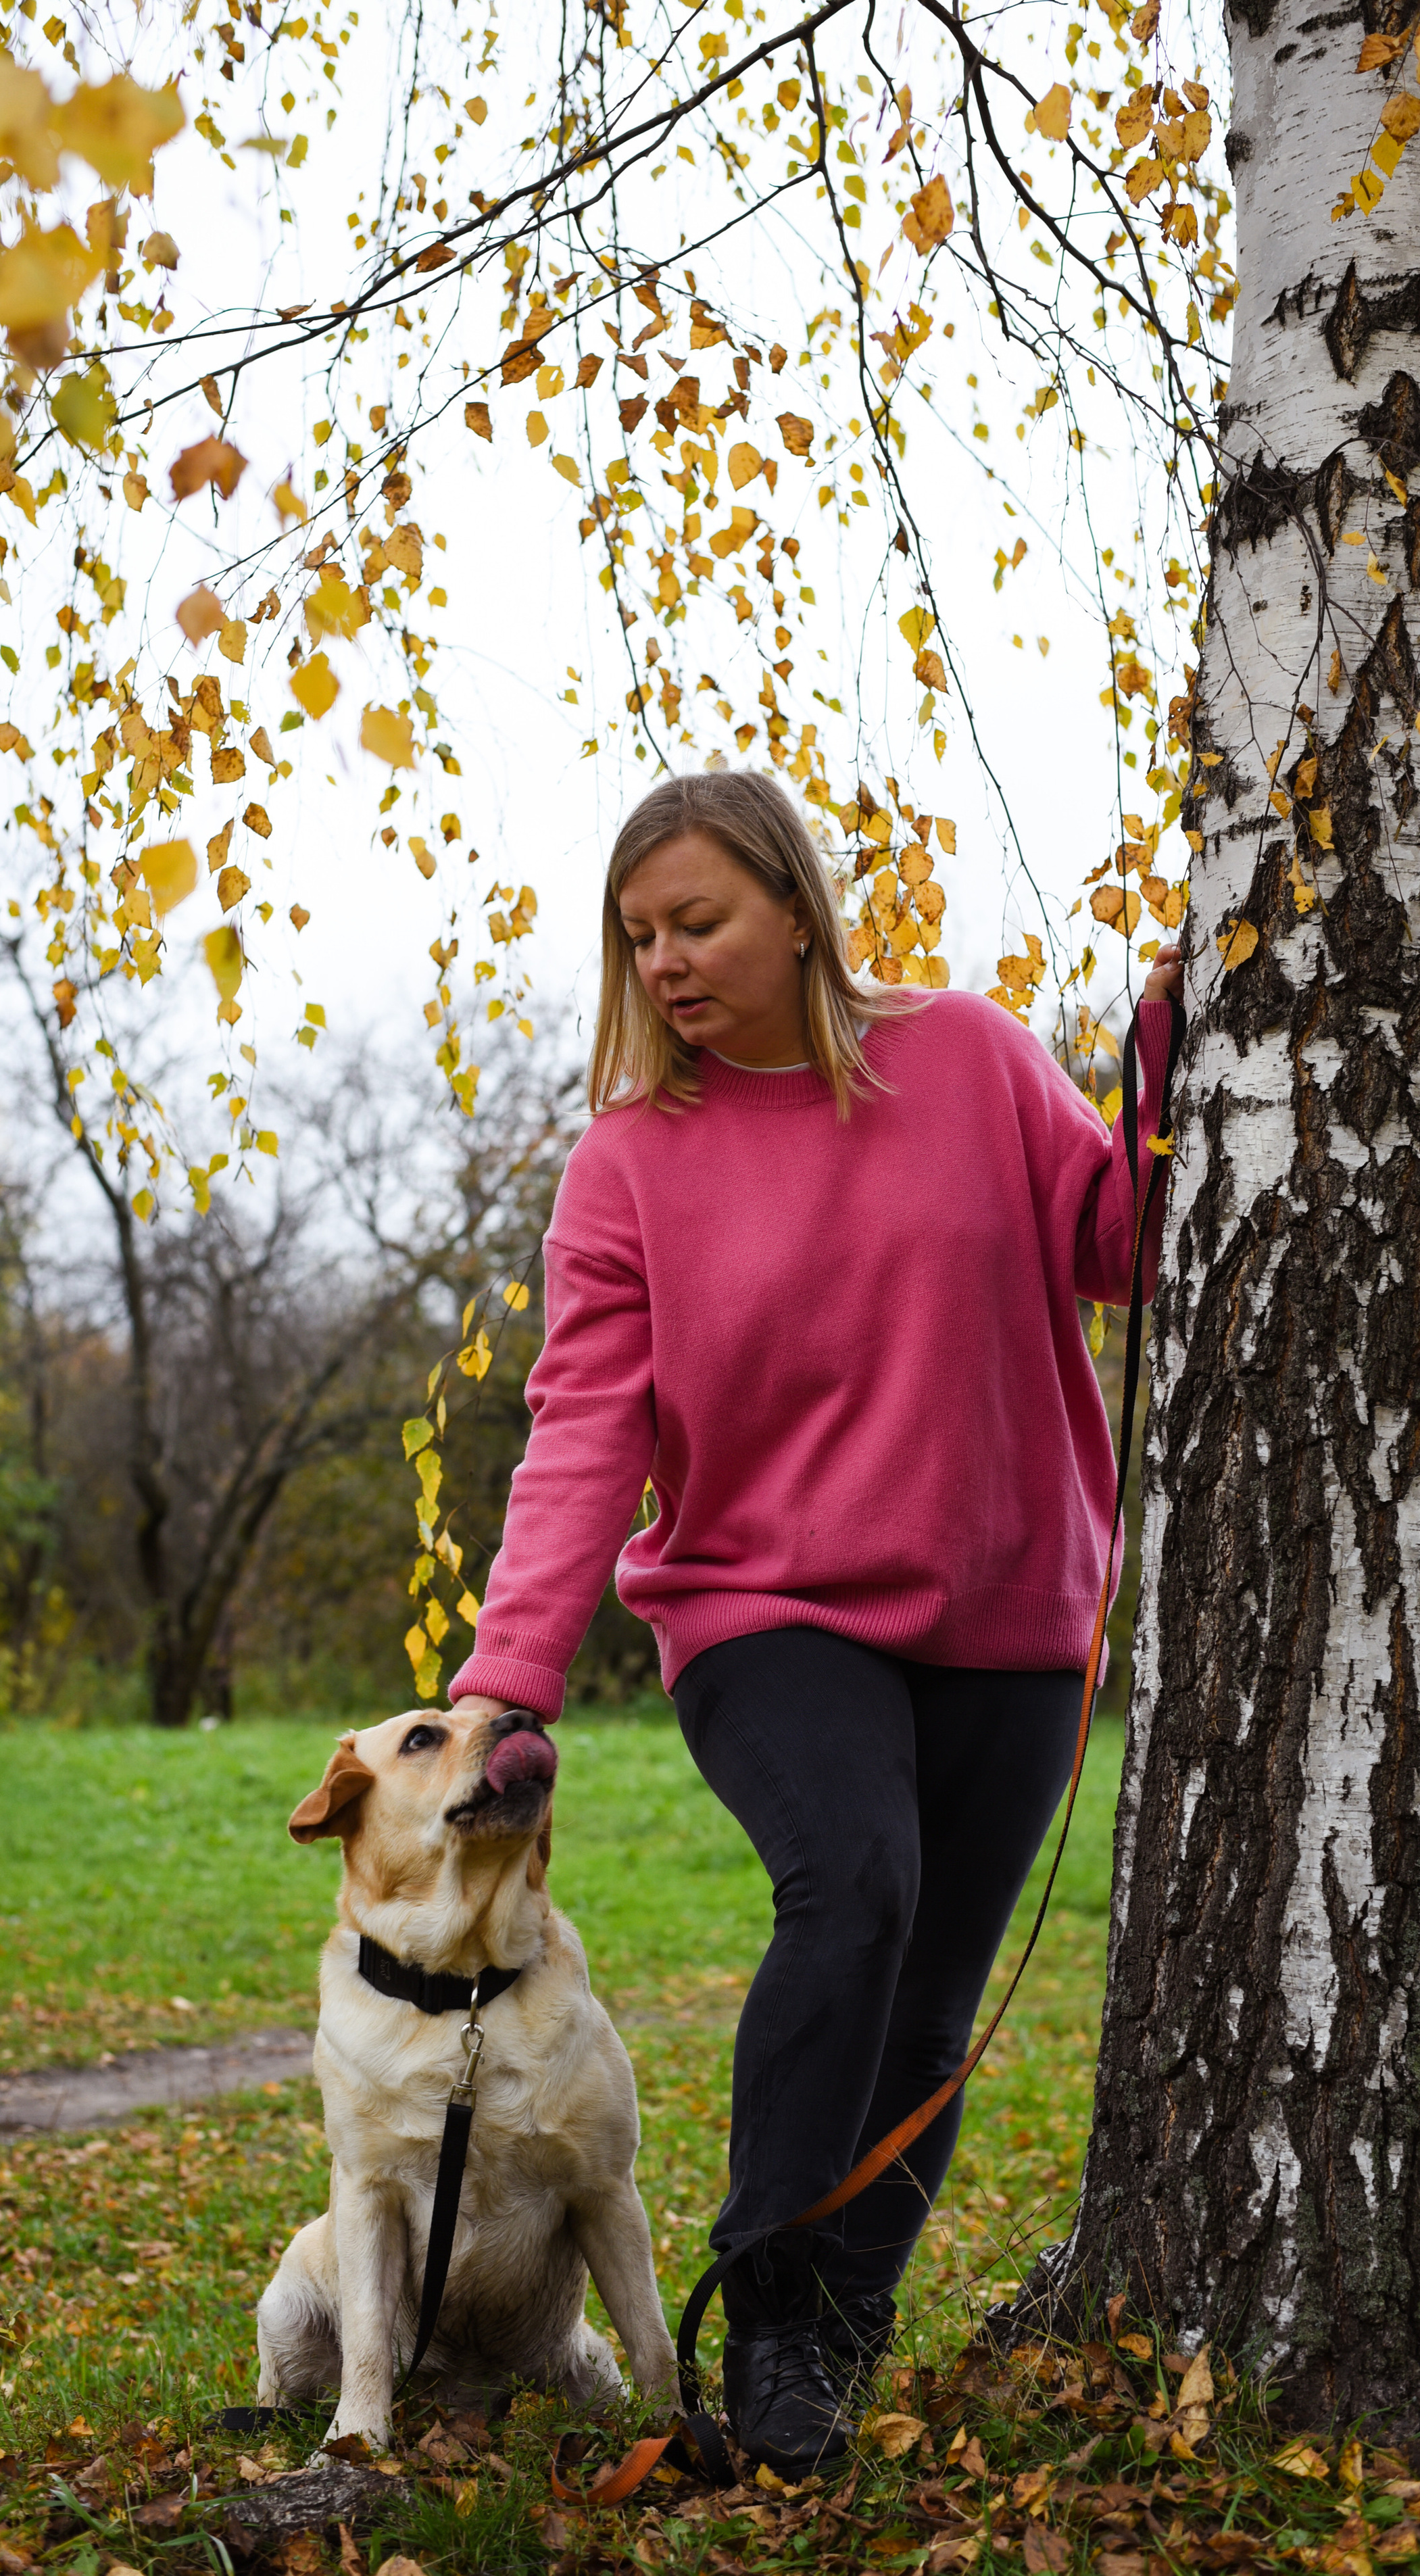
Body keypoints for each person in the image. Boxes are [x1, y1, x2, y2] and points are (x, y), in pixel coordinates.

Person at [449, 769, 1183, 2475]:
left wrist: (1166, 1052)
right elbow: (582, 1431)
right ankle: (761, 2304)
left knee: (928, 2008)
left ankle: (826, 2362)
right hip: (762, 1609)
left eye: (695, 922)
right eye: (640, 939)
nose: (668, 963)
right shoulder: (629, 1164)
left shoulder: (974, 1060)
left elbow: (1120, 1243)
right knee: (853, 1891)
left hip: (1006, 1618)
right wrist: (508, 1682)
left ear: (795, 905)